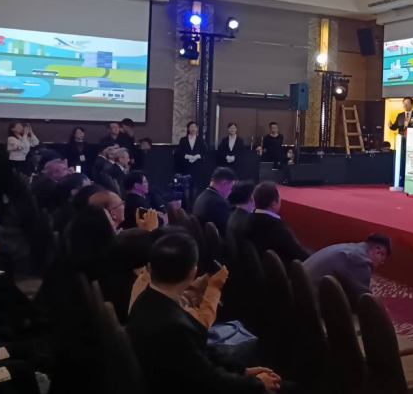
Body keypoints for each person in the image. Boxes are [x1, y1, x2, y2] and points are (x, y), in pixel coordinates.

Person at [127, 232, 281, 394]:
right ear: (193, 273)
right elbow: (209, 380)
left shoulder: (145, 299)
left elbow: (198, 358)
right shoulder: (175, 327)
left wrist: (243, 371)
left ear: (150, 268)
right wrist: (256, 383)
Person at [302, 233, 391, 304]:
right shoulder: (361, 259)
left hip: (299, 288)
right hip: (307, 302)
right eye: (381, 261)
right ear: (378, 252)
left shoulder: (347, 248)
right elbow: (364, 300)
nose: (378, 265)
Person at [243, 182, 309, 264]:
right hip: (284, 268)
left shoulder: (247, 220)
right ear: (273, 204)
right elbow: (300, 255)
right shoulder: (278, 227)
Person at [193, 167, 236, 235]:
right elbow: (228, 232)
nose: (231, 191)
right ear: (224, 184)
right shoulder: (220, 203)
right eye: (232, 186)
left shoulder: (201, 196)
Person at [176, 121, 208, 186]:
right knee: (186, 184)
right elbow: (180, 151)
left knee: (196, 183)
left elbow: (204, 151)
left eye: (195, 127)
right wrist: (187, 156)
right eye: (191, 127)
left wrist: (197, 156)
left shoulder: (200, 139)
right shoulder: (183, 139)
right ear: (188, 128)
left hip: (197, 165)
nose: (193, 129)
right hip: (186, 164)